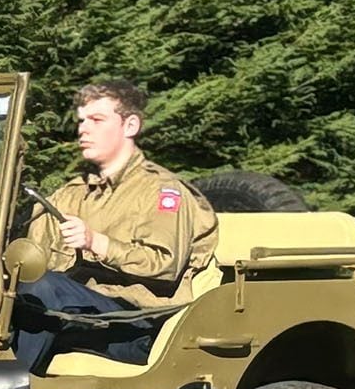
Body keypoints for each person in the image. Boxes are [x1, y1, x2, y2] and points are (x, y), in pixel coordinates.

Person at [14, 80, 218, 373]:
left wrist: (97, 242)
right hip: (81, 313)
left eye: (97, 120)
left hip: (136, 324)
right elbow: (33, 258)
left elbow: (164, 264)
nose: (83, 129)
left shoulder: (161, 191)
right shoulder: (71, 194)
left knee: (44, 290)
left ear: (130, 126)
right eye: (82, 120)